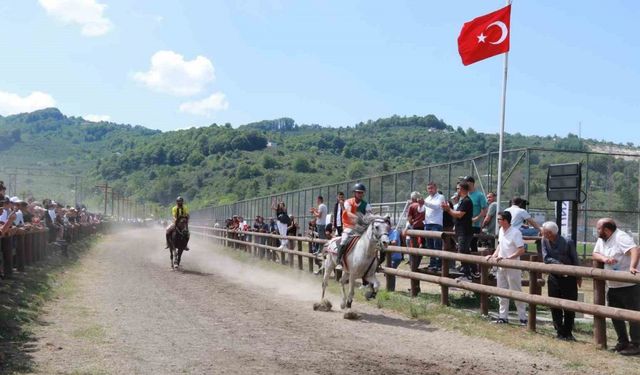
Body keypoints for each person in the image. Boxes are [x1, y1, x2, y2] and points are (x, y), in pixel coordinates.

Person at [592, 218, 640, 355]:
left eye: (598, 228)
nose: (597, 230)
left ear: (606, 229)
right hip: (613, 285)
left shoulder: (620, 237)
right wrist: (604, 259)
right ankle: (623, 342)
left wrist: (632, 266)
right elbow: (595, 253)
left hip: (629, 284)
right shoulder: (602, 239)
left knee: (633, 316)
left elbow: (634, 250)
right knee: (615, 315)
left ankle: (636, 344)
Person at [540, 221, 580, 341]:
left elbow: (575, 260)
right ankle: (559, 331)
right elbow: (546, 258)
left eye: (544, 232)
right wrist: (559, 265)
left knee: (569, 305)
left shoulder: (568, 242)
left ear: (550, 233)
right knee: (554, 305)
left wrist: (579, 276)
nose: (542, 234)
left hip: (569, 278)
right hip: (554, 277)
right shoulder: (544, 241)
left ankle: (568, 332)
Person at [486, 211, 527, 325]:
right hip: (501, 265)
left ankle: (523, 318)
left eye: (499, 219)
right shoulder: (500, 230)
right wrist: (493, 255)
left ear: (505, 220)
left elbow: (521, 249)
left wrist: (509, 258)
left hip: (513, 266)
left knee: (516, 291)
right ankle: (503, 317)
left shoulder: (515, 232)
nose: (498, 221)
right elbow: (500, 245)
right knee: (501, 291)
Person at [441, 181, 476, 281]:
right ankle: (473, 271)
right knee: (465, 251)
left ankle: (467, 273)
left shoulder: (466, 201)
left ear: (462, 189)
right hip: (461, 230)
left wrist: (448, 210)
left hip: (465, 231)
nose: (457, 190)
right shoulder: (462, 200)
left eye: (458, 188)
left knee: (462, 251)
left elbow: (459, 214)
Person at [336, 183, 372, 266]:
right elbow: (348, 213)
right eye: (358, 192)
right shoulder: (348, 202)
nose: (360, 194)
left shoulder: (366, 205)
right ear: (354, 193)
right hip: (349, 226)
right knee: (344, 240)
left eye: (362, 192)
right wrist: (358, 218)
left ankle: (374, 262)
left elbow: (369, 215)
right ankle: (339, 259)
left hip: (361, 228)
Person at [424, 182, 445, 271]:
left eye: (432, 188)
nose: (430, 190)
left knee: (437, 244)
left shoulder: (440, 197)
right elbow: (421, 209)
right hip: (427, 223)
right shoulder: (427, 198)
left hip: (436, 223)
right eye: (428, 188)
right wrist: (419, 204)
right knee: (429, 245)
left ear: (436, 188)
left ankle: (438, 264)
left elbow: (437, 207)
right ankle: (432, 263)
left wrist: (424, 203)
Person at [464, 176, 488, 254]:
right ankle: (465, 264)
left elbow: (484, 209)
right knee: (464, 245)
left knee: (472, 244)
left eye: (467, 182)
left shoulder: (479, 195)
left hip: (475, 225)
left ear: (472, 183)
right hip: (464, 224)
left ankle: (473, 265)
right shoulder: (464, 195)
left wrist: (477, 218)